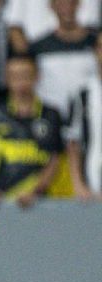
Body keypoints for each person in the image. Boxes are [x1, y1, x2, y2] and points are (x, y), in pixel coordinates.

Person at [0, 54, 65, 210]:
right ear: (6, 78)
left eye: (26, 75)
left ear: (37, 76)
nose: (21, 82)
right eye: (15, 76)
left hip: (37, 203)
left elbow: (54, 159)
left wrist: (35, 191)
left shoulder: (51, 115)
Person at [66, 34, 102, 198]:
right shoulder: (83, 94)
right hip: (91, 177)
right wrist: (78, 184)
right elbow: (73, 143)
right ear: (95, 51)